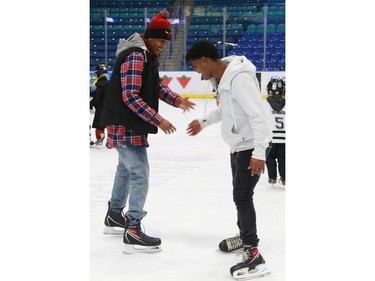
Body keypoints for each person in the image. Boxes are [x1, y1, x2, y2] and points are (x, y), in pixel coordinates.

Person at [100, 10, 195, 254]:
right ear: (149, 38)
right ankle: (133, 229)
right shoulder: (136, 57)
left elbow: (156, 87)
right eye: (160, 40)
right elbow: (130, 95)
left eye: (166, 41)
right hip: (126, 126)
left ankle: (113, 215)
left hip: (126, 125)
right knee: (140, 173)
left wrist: (177, 101)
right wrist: (159, 119)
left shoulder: (145, 57)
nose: (163, 46)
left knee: (125, 170)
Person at [185, 40, 272, 279]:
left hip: (250, 145)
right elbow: (227, 111)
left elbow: (258, 116)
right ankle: (244, 237)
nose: (196, 71)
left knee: (242, 196)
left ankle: (253, 253)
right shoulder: (223, 79)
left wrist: (259, 152)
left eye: (196, 66)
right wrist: (203, 122)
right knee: (240, 194)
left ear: (205, 60)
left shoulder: (239, 79)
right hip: (238, 145)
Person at [265, 77, 286, 186]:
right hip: (285, 139)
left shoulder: (265, 104)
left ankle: (272, 177)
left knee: (270, 158)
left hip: (270, 138)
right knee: (283, 159)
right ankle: (285, 177)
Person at [90, 64, 109, 148]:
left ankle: (100, 139)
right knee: (109, 125)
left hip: (101, 108)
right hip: (109, 108)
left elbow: (98, 97)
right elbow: (100, 93)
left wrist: (90, 104)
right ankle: (115, 140)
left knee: (99, 125)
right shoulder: (109, 83)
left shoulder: (99, 83)